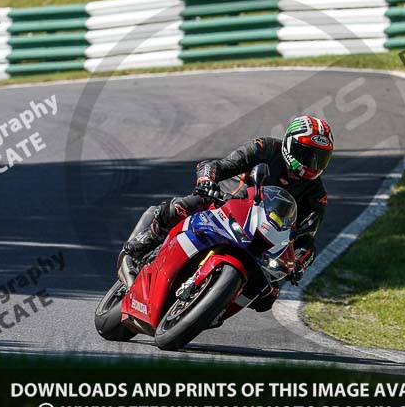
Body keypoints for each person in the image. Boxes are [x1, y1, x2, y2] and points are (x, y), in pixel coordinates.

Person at [120, 115, 334, 311]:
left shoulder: (317, 193)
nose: (312, 163)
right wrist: (207, 181)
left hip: (261, 237)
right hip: (225, 205)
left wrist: (299, 262)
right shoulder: (265, 148)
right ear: (289, 144)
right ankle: (144, 242)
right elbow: (216, 165)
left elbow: (308, 237)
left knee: (268, 296)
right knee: (185, 205)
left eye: (320, 158)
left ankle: (217, 309)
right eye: (307, 153)